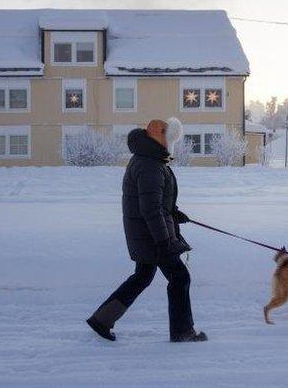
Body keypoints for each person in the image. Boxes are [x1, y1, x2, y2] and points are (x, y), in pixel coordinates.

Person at [86, 118, 207, 343]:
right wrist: (164, 241)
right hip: (153, 236)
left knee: (142, 277)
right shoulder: (150, 164)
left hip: (147, 233)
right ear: (153, 135)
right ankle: (183, 331)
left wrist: (174, 213)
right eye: (164, 133)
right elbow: (150, 209)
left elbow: (157, 202)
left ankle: (101, 319)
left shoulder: (149, 159)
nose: (167, 138)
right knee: (180, 278)